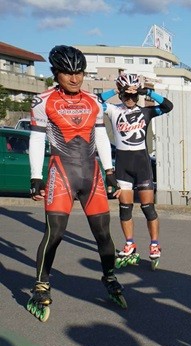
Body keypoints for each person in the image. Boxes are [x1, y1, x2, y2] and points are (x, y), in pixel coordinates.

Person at [26, 45, 125, 321]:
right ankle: (41, 285)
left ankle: (109, 277)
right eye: (68, 73)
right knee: (55, 233)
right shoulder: (42, 101)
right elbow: (36, 139)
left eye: (79, 72)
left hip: (90, 173)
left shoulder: (93, 101)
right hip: (62, 173)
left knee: (103, 234)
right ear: (56, 74)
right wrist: (35, 176)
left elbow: (102, 136)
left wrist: (109, 171)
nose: (74, 78)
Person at [99, 73, 173, 267]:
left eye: (134, 96)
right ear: (121, 95)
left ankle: (154, 245)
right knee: (125, 209)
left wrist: (147, 91)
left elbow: (168, 106)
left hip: (142, 163)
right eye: (126, 96)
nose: (130, 99)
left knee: (148, 208)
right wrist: (115, 91)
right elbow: (95, 102)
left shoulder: (146, 112)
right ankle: (129, 244)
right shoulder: (113, 110)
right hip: (123, 165)